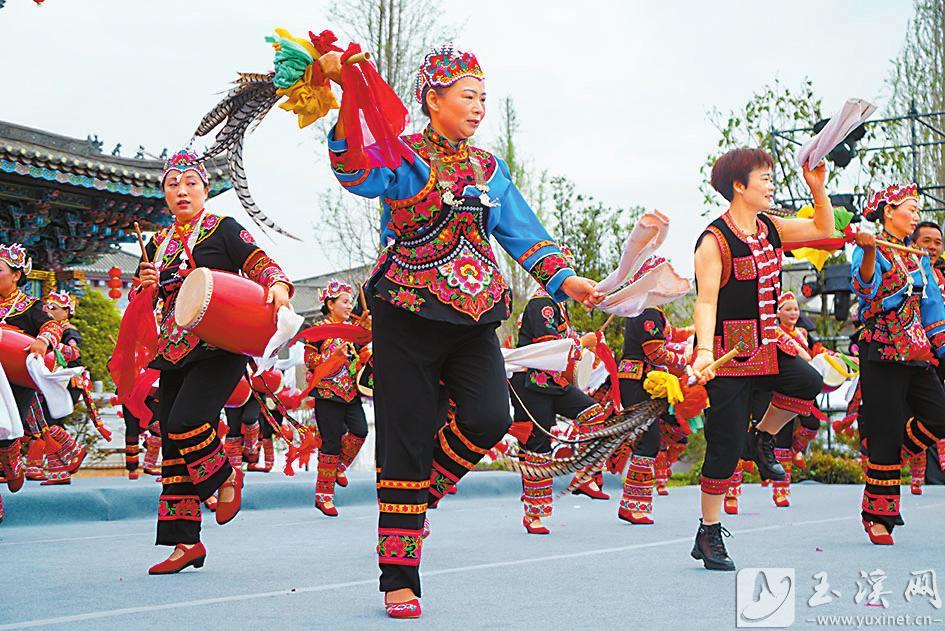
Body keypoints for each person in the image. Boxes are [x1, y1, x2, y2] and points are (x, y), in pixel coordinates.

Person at [319, 44, 603, 617]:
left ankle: (417, 497)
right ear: (433, 99)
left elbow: (525, 233)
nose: (478, 108)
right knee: (404, 435)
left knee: (491, 417)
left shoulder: (489, 169)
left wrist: (566, 281)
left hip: (475, 317)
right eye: (467, 96)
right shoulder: (403, 157)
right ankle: (399, 574)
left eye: (482, 98)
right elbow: (352, 170)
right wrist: (349, 97)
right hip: (405, 312)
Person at [133, 150, 293, 574]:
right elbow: (142, 302)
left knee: (187, 421)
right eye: (172, 184)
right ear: (163, 192)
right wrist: (144, 286)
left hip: (220, 343)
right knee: (171, 442)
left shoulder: (222, 228)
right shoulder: (158, 244)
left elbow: (258, 260)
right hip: (173, 349)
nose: (181, 190)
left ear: (206, 189)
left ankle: (223, 477)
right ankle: (185, 544)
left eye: (190, 183)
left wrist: (276, 283)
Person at [690, 148, 830, 570]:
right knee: (724, 446)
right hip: (729, 355)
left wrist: (818, 188)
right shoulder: (714, 241)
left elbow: (822, 227)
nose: (771, 184)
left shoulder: (770, 228)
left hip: (768, 344)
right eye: (764, 177)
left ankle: (764, 436)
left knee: (807, 381)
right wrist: (703, 352)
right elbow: (706, 301)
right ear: (738, 185)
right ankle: (709, 532)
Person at [850, 183, 945, 545]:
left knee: (939, 417)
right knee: (886, 433)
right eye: (911, 209)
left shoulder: (918, 257)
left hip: (917, 350)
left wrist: (943, 346)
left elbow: (932, 306)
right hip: (883, 350)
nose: (916, 216)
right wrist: (870, 251)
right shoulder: (870, 248)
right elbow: (866, 288)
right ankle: (878, 516)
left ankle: (888, 456)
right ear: (888, 211)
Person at [509, 254, 606, 535]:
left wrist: (584, 344)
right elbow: (551, 347)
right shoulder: (541, 304)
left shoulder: (555, 306)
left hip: (553, 382)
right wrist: (583, 342)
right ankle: (533, 513)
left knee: (593, 413)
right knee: (537, 446)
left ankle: (584, 473)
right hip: (531, 383)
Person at [0, 243, 63, 521]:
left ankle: (12, 458)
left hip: (16, 381)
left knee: (6, 433)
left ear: (16, 275)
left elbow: (52, 325)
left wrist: (42, 341)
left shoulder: (30, 307)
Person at [303, 279, 370, 517]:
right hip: (327, 394)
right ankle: (324, 496)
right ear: (331, 304)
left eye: (350, 301)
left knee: (360, 431)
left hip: (350, 393)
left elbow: (363, 354)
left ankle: (340, 467)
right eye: (344, 301)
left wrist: (366, 346)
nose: (349, 305)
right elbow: (309, 362)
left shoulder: (352, 330)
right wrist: (332, 358)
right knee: (330, 444)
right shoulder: (318, 330)